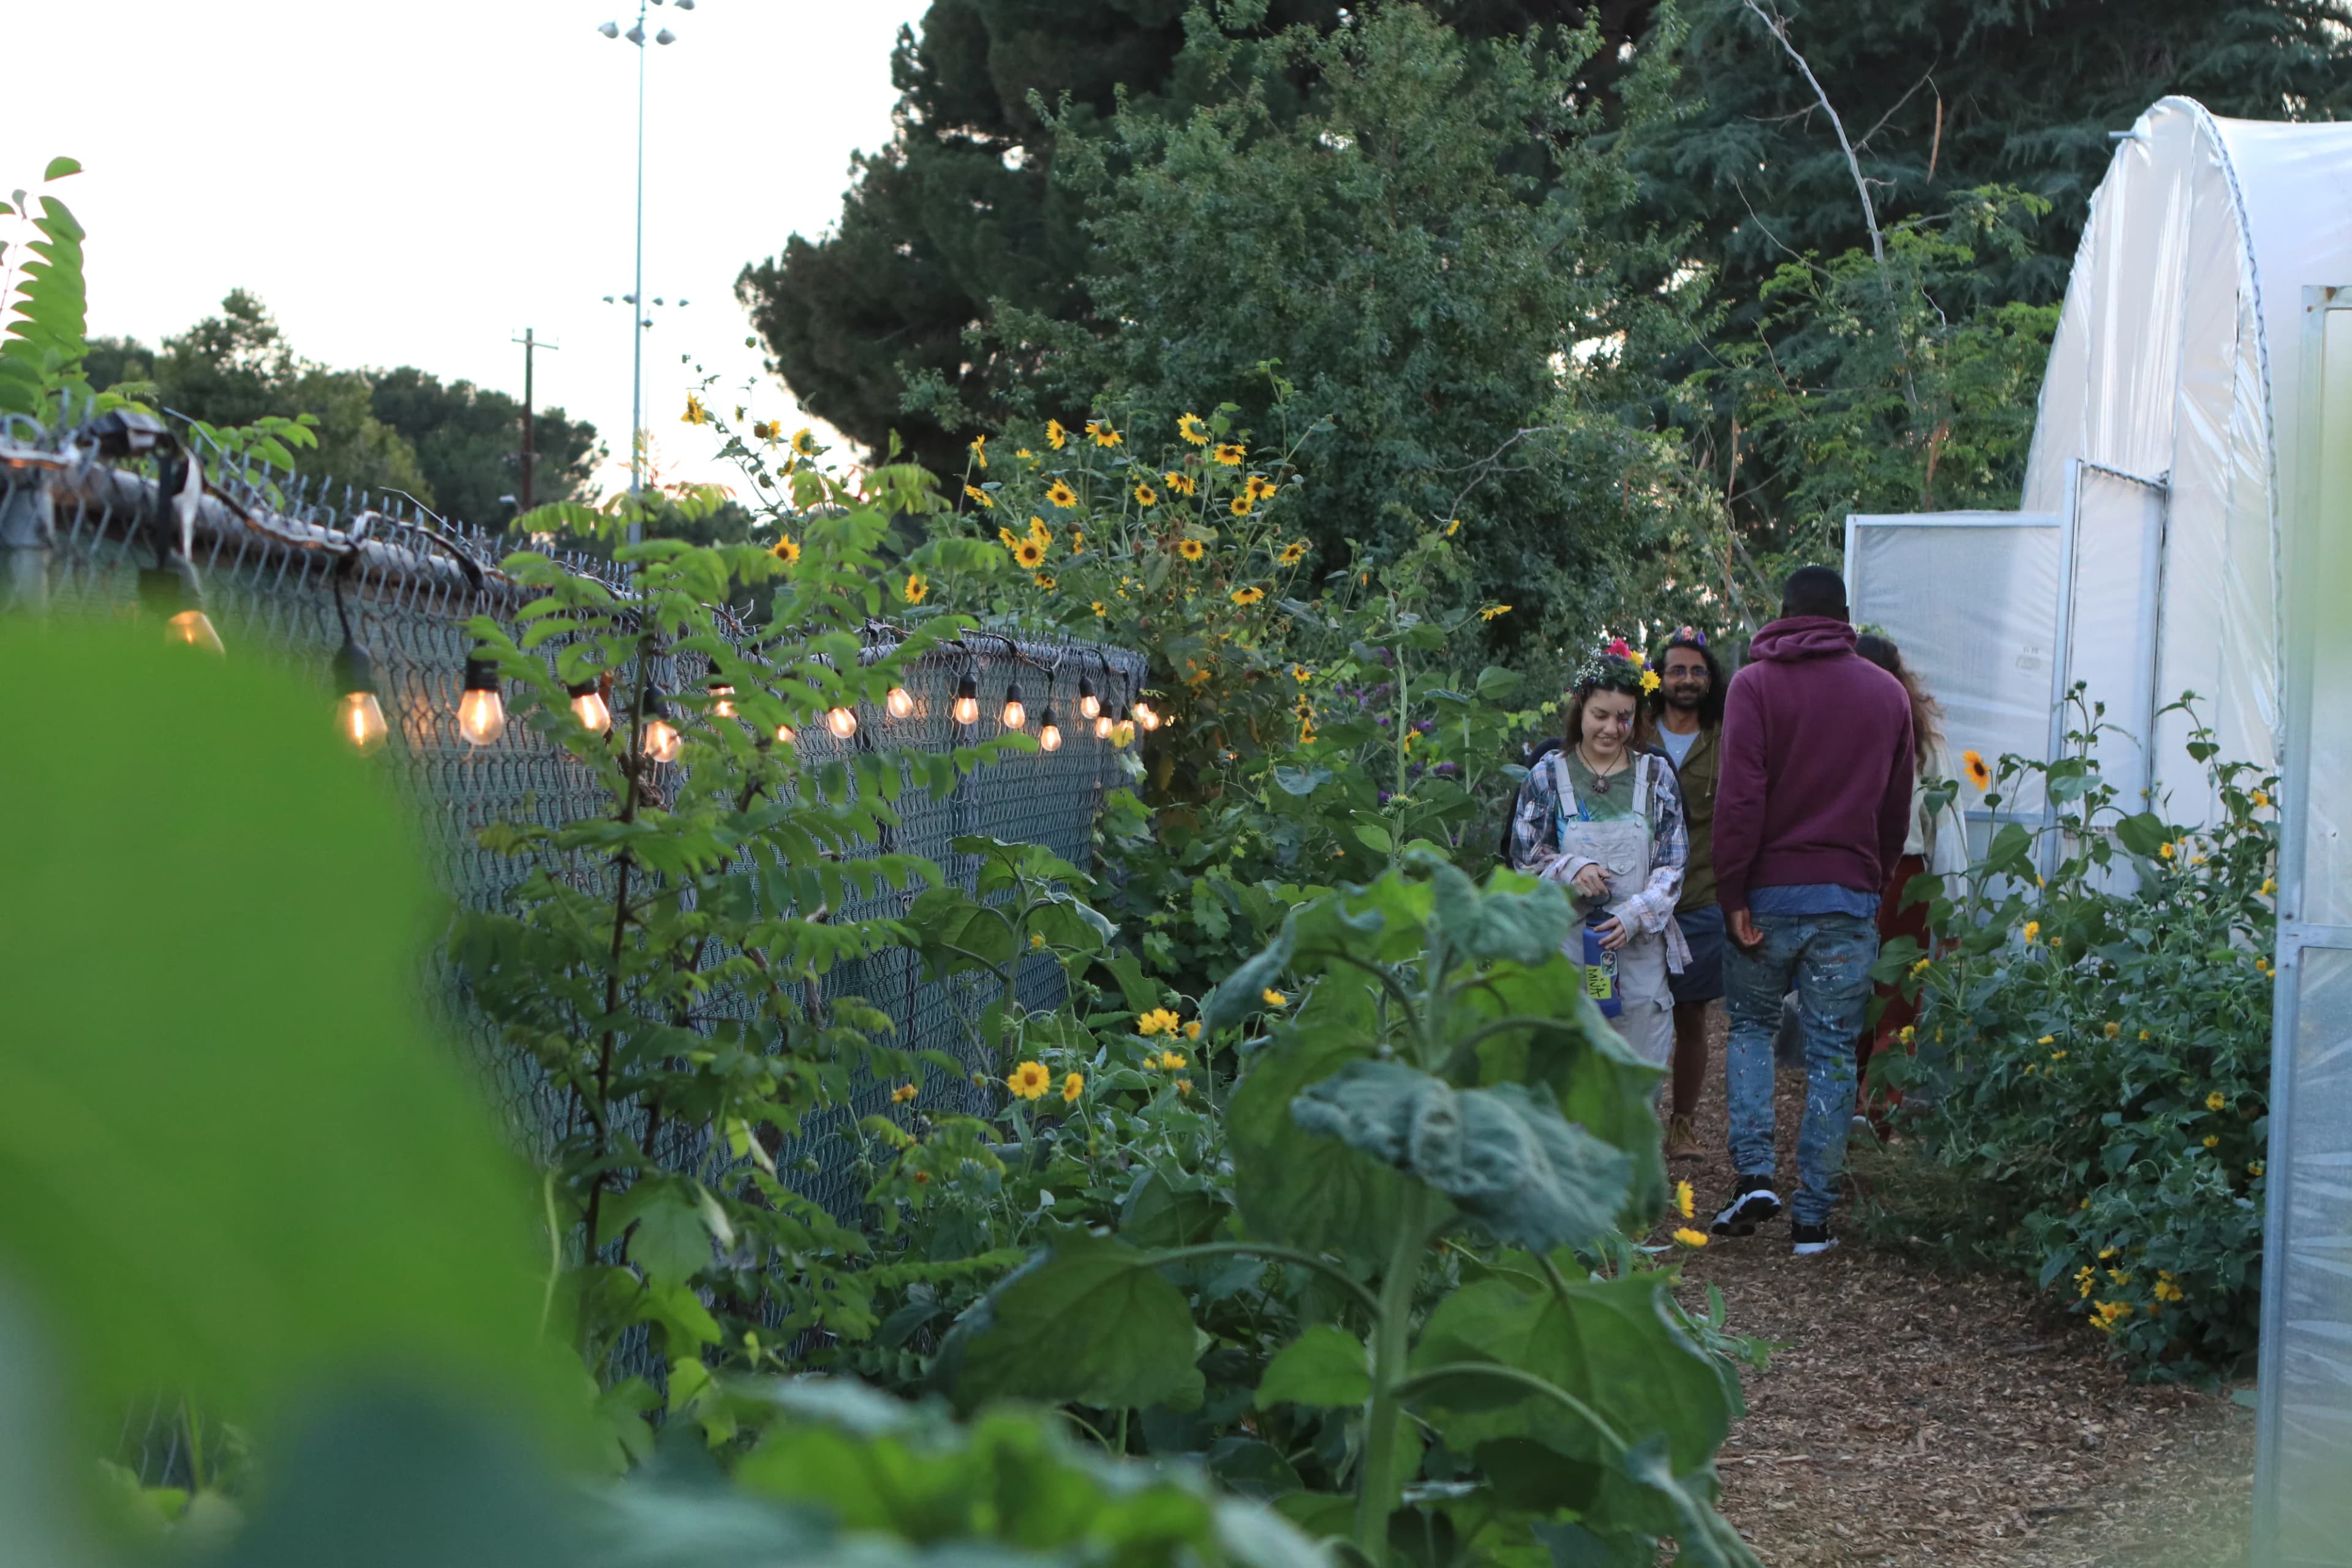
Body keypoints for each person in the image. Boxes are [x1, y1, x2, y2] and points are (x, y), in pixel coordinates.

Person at [1708, 568, 1914, 1256]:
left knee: (1751, 1027)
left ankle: (1755, 1176)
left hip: (1767, 897)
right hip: (1847, 900)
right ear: (1845, 618)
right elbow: (1894, 809)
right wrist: (1873, 881)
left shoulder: (1755, 687)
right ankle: (1813, 1220)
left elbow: (1740, 800)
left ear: (1784, 612)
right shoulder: (1887, 694)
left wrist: (1733, 893)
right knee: (1832, 1052)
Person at [1507, 639, 1689, 1072]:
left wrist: (1636, 914)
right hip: (1569, 950)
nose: (1611, 728)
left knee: (1635, 1080)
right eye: (1600, 715)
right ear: (1580, 711)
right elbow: (1524, 857)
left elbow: (1673, 865)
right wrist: (1569, 868)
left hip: (1640, 957)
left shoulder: (1656, 776)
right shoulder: (1548, 775)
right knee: (1569, 1080)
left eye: (1624, 717)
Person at [1851, 632, 1970, 1134]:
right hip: (1901, 876)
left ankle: (1849, 1107)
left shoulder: (1835, 732)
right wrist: (1955, 913)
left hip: (1854, 873)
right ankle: (1874, 1112)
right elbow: (1946, 828)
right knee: (1896, 999)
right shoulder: (1923, 742)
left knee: (1849, 994)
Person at [1644, 628, 1726, 1163]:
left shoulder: (1725, 739)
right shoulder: (1633, 729)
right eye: (1677, 670)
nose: (1688, 679)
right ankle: (1631, 1120)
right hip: (1633, 897)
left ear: (1710, 680)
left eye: (1698, 671)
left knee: (1691, 1014)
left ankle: (1683, 1124)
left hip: (1698, 894)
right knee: (1628, 1009)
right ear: (1660, 679)